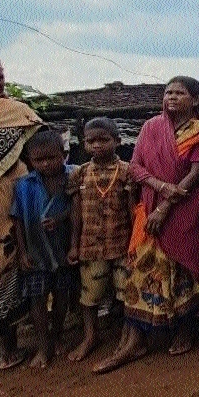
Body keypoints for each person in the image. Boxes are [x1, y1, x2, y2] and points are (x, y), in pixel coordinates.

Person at [92, 77, 199, 373]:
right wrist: (160, 187)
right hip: (150, 205)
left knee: (183, 270)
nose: (172, 97)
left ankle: (185, 330)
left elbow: (196, 172)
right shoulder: (150, 127)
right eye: (168, 92)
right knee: (144, 270)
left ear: (195, 99)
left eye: (179, 93)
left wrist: (166, 204)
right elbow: (135, 167)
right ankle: (135, 342)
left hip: (186, 208)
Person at [0, 53, 39, 371]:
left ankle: (6, 349)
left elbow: (42, 153)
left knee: (8, 272)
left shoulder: (17, 113)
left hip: (12, 211)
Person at [67, 117, 136, 366]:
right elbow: (75, 213)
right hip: (90, 245)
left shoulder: (127, 171)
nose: (97, 145)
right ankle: (90, 336)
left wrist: (134, 245)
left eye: (103, 140)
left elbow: (132, 210)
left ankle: (128, 337)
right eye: (91, 141)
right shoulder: (80, 173)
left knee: (126, 293)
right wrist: (74, 245)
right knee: (90, 295)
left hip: (121, 243)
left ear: (117, 141)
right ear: (84, 143)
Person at [11, 130, 76, 369]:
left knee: (62, 296)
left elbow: (78, 208)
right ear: (30, 160)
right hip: (36, 252)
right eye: (39, 160)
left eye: (51, 158)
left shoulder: (73, 176)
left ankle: (57, 334)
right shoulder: (23, 185)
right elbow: (17, 220)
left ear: (63, 154)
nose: (46, 164)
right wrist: (22, 252)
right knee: (37, 298)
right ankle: (43, 344)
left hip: (63, 249)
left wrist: (60, 219)